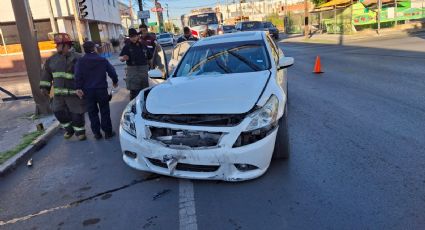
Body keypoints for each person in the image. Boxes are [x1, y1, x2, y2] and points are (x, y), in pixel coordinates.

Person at [40, 33, 86, 140]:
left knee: (76, 113)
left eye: (58, 45)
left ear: (66, 45)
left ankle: (80, 132)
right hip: (59, 94)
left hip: (74, 93)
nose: (56, 47)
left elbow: (87, 75)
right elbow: (46, 74)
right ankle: (69, 130)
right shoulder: (51, 60)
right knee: (57, 111)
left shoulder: (79, 58)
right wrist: (45, 87)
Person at [74, 41, 119, 140]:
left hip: (88, 91)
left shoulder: (80, 61)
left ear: (84, 50)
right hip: (101, 90)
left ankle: (97, 134)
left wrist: (78, 88)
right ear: (94, 48)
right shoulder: (102, 60)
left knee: (92, 112)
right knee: (104, 111)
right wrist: (115, 81)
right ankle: (108, 132)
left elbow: (78, 76)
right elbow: (112, 71)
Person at [119, 28, 152, 100]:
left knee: (145, 91)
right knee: (134, 92)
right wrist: (123, 58)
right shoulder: (127, 47)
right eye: (131, 37)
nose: (133, 38)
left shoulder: (143, 46)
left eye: (134, 36)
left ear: (137, 36)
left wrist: (152, 67)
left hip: (144, 71)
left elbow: (150, 58)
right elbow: (120, 57)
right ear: (129, 38)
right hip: (133, 71)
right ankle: (134, 108)